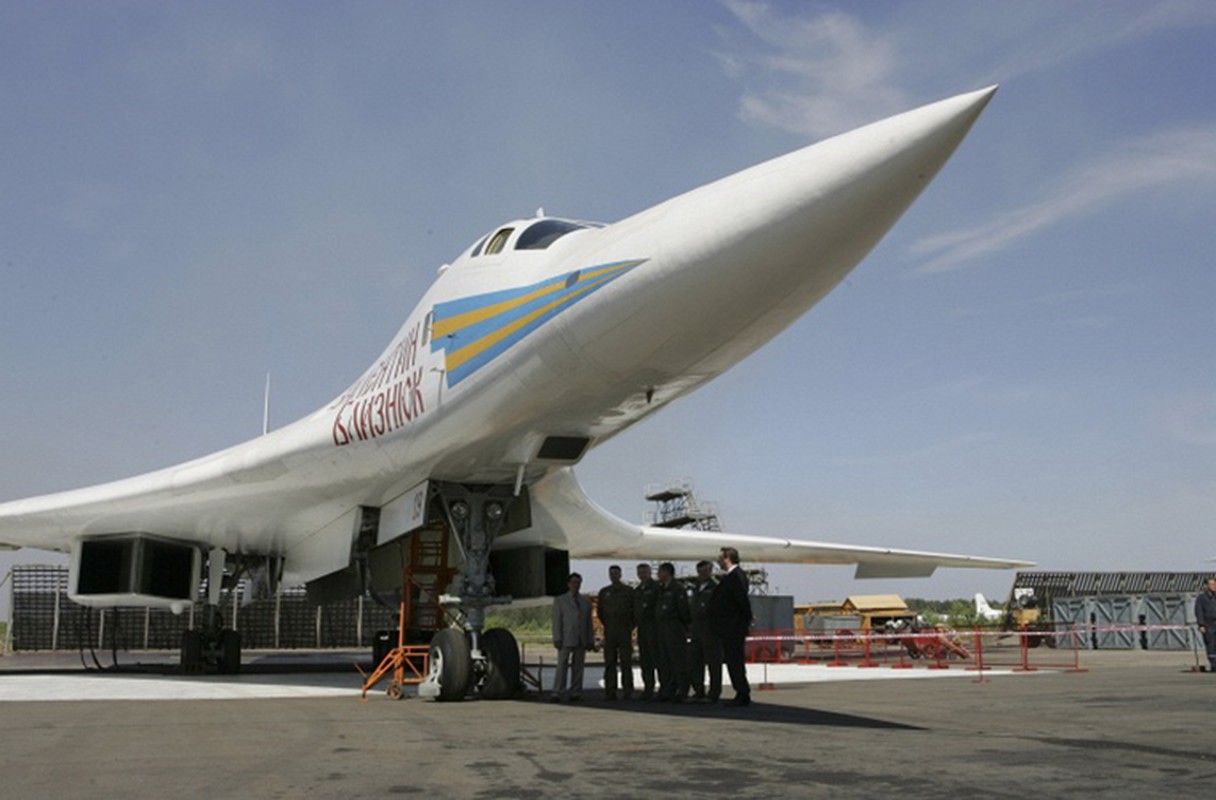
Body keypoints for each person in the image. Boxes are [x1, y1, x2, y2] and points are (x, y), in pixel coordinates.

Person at [711, 546, 752, 707]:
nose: (718, 561)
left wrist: (744, 620)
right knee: (733, 660)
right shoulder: (732, 576)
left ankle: (742, 693)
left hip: (733, 627)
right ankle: (740, 691)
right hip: (730, 626)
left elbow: (741, 600)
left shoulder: (736, 576)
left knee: (735, 660)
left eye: (720, 558)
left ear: (727, 558)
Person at [551, 572, 594, 702]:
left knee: (578, 667)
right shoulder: (560, 600)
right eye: (574, 582)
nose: (576, 585)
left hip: (581, 638)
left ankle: (575, 691)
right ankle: (557, 691)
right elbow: (556, 620)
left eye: (578, 583)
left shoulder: (585, 601)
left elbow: (589, 623)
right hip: (565, 638)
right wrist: (557, 637)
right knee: (562, 666)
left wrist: (590, 640)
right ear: (568, 584)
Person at [597, 565, 635, 700]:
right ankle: (610, 690)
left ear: (620, 574)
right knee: (609, 663)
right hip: (610, 631)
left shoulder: (629, 591)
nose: (614, 576)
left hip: (624, 631)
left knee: (626, 662)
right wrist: (608, 624)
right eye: (611, 573)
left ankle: (628, 691)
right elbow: (600, 612)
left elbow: (634, 612)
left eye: (616, 573)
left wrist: (629, 626)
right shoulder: (604, 592)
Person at [654, 562, 691, 702]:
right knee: (664, 660)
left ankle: (682, 689)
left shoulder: (677, 589)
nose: (658, 574)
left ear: (667, 572)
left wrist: (685, 627)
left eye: (660, 572)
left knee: (677, 660)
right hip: (661, 628)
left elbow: (683, 610)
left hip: (673, 627)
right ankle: (667, 689)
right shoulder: (660, 589)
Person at [687, 559, 723, 703]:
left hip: (711, 631)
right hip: (696, 631)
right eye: (700, 571)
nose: (702, 574)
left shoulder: (716, 587)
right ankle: (699, 690)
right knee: (695, 662)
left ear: (711, 571)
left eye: (705, 571)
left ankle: (714, 693)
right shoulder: (695, 587)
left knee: (714, 663)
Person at [633, 562, 660, 699]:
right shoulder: (637, 590)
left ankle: (664, 688)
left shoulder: (656, 588)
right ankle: (648, 688)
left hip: (654, 629)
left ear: (650, 573)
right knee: (645, 661)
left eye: (645, 572)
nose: (642, 575)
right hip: (642, 629)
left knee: (659, 659)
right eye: (640, 572)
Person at [1195, 578, 1216, 672]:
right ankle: (1214, 665)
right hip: (1208, 624)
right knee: (1211, 644)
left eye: (1214, 584)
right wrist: (1201, 624)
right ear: (1207, 586)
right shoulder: (1202, 598)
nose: (1214, 586)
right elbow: (1199, 612)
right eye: (1211, 584)